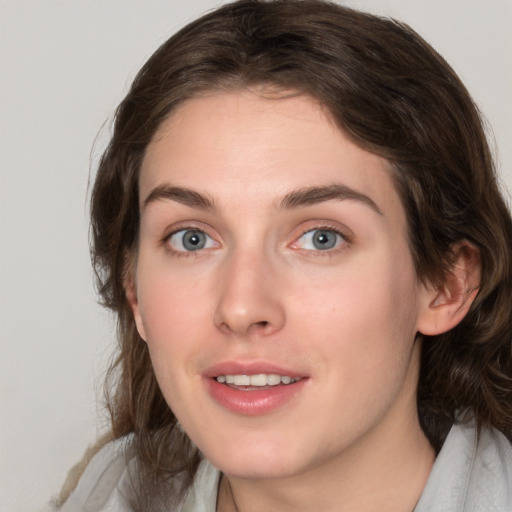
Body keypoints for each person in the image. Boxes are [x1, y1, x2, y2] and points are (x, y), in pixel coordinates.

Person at [56, 1, 512, 510]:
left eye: (322, 238)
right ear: (135, 291)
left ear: (447, 285)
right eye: (192, 238)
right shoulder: (104, 491)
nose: (242, 308)